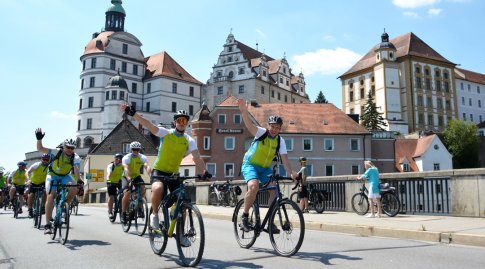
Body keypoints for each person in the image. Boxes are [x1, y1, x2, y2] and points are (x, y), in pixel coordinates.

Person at [121, 104, 211, 247]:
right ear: (175, 122)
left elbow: (197, 158)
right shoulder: (166, 133)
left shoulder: (189, 140)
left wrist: (204, 171)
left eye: (184, 121)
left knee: (181, 204)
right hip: (159, 171)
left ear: (186, 123)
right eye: (179, 120)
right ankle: (155, 215)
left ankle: (180, 235)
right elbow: (150, 126)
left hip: (174, 174)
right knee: (157, 189)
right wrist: (134, 114)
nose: (182, 123)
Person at [237, 98, 297, 232]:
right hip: (250, 164)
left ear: (280, 129)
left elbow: (285, 159)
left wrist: (291, 172)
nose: (274, 130)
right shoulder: (261, 133)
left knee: (274, 190)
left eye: (277, 128)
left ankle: (270, 221)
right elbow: (250, 126)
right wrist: (244, 112)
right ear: (268, 126)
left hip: (264, 169)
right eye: (272, 127)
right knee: (253, 186)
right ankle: (245, 216)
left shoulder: (280, 141)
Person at [35, 128, 82, 234]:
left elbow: (76, 169)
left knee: (74, 188)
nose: (70, 149)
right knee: (51, 196)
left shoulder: (75, 157)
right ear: (63, 146)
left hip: (65, 176)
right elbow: (40, 148)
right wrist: (39, 139)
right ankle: (47, 225)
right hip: (52, 175)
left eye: (72, 148)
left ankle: (65, 206)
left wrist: (78, 180)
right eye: (68, 147)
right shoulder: (56, 152)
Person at [121, 141, 151, 223]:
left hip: (136, 176)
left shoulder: (142, 157)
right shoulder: (126, 157)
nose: (135, 151)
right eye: (134, 149)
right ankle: (123, 213)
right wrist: (129, 179)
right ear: (131, 149)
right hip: (126, 176)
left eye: (137, 150)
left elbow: (147, 167)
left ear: (139, 150)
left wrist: (151, 177)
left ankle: (140, 208)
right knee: (127, 193)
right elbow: (126, 169)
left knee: (142, 189)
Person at [26, 154, 50, 218]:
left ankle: (43, 207)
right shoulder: (37, 164)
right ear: (41, 159)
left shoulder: (50, 167)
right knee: (31, 195)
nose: (45, 161)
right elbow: (28, 172)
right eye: (44, 159)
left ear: (49, 160)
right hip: (33, 182)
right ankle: (30, 210)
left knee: (45, 192)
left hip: (42, 183)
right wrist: (28, 180)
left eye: (47, 160)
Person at [106, 153, 124, 218]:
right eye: (116, 159)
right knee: (111, 196)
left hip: (119, 182)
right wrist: (108, 181)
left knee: (125, 194)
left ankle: (124, 210)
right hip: (111, 182)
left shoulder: (123, 166)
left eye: (119, 159)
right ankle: (110, 211)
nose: (117, 160)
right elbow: (109, 174)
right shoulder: (111, 165)